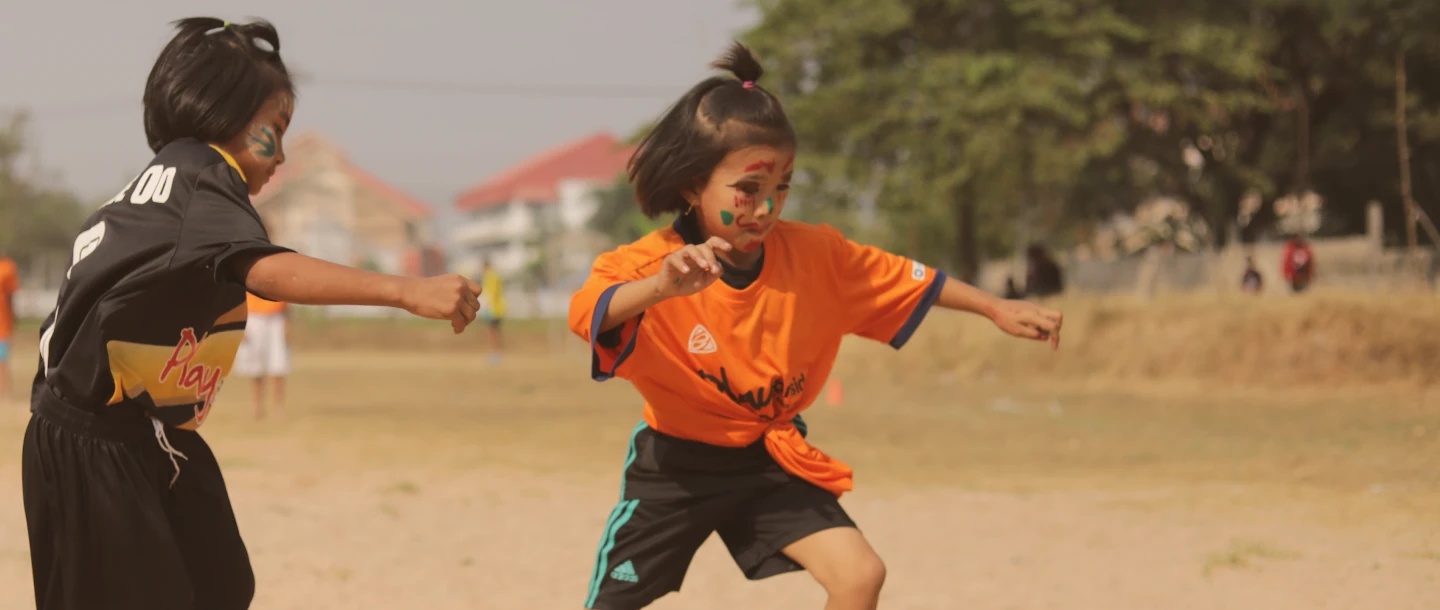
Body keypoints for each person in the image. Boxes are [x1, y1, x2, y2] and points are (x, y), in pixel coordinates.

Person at [567, 42, 1063, 610]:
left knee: (859, 575)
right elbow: (589, 312)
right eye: (748, 189)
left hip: (768, 458)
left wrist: (994, 307)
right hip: (676, 469)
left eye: (782, 187)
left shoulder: (817, 255)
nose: (765, 207)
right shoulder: (653, 265)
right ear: (691, 186)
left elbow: (907, 278)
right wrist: (661, 288)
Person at [21, 18, 482, 610]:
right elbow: (264, 269)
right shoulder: (204, 176)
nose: (281, 153)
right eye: (276, 128)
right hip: (96, 445)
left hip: (140, 435)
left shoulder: (162, 182)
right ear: (225, 112)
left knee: (221, 583)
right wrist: (406, 291)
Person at [234, 291, 289, 420]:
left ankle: (278, 408)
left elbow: (287, 294)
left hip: (276, 317)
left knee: (278, 364)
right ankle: (257, 407)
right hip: (253, 316)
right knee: (255, 367)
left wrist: (287, 321)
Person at [479, 259, 506, 365]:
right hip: (497, 308)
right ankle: (496, 353)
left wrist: (485, 306)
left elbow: (491, 293)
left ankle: (496, 354)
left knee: (492, 332)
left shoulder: (491, 277)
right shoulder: (495, 276)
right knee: (494, 332)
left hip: (493, 309)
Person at [0, 252, 18, 401]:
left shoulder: (6, 268)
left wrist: (12, 316)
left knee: (2, 359)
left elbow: (11, 296)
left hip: (2, 323)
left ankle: (4, 391)